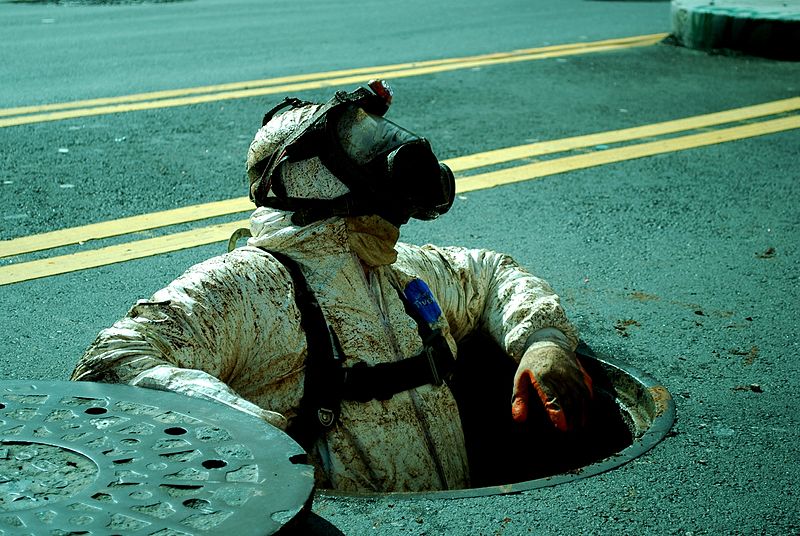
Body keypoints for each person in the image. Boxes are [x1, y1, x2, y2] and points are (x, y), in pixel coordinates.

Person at [71, 81, 593, 493]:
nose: (388, 153)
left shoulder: (394, 265)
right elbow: (110, 365)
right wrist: (246, 427)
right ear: (308, 177)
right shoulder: (252, 286)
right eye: (359, 146)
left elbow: (492, 273)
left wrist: (542, 340)